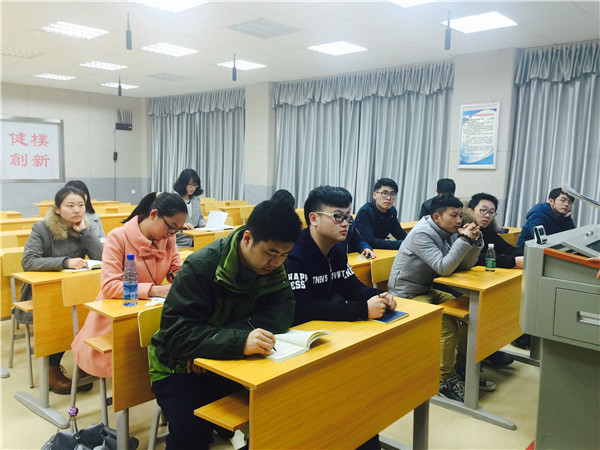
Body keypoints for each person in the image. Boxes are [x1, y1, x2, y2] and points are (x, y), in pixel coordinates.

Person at [149, 200, 302, 450]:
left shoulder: (274, 266)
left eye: (285, 255)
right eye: (271, 253)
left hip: (230, 361)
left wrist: (225, 343)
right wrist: (239, 341)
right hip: (178, 367)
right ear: (247, 238)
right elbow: (177, 335)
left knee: (288, 411)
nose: (276, 262)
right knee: (191, 437)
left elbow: (283, 311)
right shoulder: (200, 267)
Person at [286, 186, 395, 449]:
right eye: (338, 217)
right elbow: (303, 308)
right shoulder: (294, 254)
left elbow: (351, 286)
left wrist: (379, 296)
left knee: (361, 393)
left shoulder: (336, 249)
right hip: (297, 344)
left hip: (328, 336)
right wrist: (361, 310)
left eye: (348, 217)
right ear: (313, 218)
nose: (346, 224)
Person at [72, 192, 186, 379]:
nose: (171, 234)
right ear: (153, 214)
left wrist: (180, 278)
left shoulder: (168, 239)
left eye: (177, 231)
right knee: (130, 372)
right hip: (117, 312)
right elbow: (110, 286)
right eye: (171, 227)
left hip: (147, 310)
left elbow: (176, 268)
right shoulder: (118, 237)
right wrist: (156, 290)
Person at [387, 195, 490, 402]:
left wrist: (474, 242)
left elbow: (463, 265)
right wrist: (463, 240)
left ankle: (463, 368)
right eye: (453, 215)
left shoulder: (448, 231)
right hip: (406, 294)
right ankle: (444, 380)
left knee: (470, 311)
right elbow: (444, 267)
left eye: (460, 215)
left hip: (427, 289)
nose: (459, 220)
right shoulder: (422, 233)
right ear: (436, 217)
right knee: (446, 322)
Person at [19, 185, 103, 394]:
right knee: (59, 318)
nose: (77, 210)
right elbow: (28, 261)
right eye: (70, 205)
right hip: (44, 292)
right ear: (57, 209)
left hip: (74, 289)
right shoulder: (42, 229)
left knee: (91, 312)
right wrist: (65, 262)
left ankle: (83, 361)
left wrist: (85, 232)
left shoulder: (83, 227)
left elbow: (102, 257)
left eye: (81, 205)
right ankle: (52, 370)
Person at [463, 192, 522, 368]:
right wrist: (513, 261)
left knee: (503, 299)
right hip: (459, 281)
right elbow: (476, 259)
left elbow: (508, 249)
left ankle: (489, 348)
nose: (487, 215)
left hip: (479, 279)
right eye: (483, 210)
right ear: (471, 210)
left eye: (491, 212)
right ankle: (479, 353)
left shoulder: (488, 231)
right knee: (490, 303)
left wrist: (532, 252)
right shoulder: (464, 228)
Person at [355, 178, 407, 250]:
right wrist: (400, 244)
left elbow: (398, 232)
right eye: (384, 193)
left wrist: (409, 242)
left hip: (379, 250)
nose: (388, 198)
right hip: (363, 251)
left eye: (392, 194)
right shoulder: (365, 212)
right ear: (374, 195)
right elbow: (370, 241)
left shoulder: (392, 211)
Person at [173, 169, 206, 248]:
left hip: (196, 237)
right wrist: (182, 225)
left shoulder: (196, 199)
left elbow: (200, 218)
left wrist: (203, 224)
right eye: (190, 185)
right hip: (181, 240)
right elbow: (168, 223)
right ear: (183, 184)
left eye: (195, 185)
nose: (193, 188)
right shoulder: (173, 199)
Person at [339, 187, 376, 258]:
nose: (345, 223)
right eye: (338, 216)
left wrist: (365, 248)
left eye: (347, 215)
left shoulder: (350, 221)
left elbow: (357, 239)